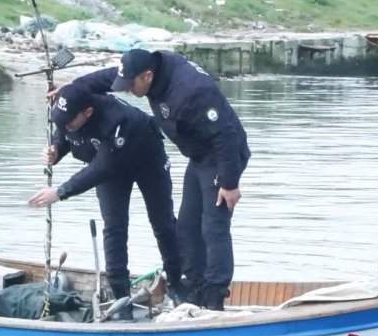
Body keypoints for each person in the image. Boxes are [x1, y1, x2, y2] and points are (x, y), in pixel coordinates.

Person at [60, 49, 250, 310]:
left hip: (221, 156)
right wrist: (71, 91)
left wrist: (229, 183)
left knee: (212, 227)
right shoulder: (147, 68)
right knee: (186, 226)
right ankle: (194, 288)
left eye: (130, 85)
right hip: (198, 157)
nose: (126, 90)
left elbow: (226, 135)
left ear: (148, 76)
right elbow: (105, 78)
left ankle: (215, 298)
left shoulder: (192, 90)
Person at [27, 82, 183, 303]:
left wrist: (60, 192)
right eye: (61, 120)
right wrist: (56, 150)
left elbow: (101, 168)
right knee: (114, 228)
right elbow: (64, 132)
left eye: (69, 121)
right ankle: (120, 295)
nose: (65, 125)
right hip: (107, 165)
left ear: (88, 112)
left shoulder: (116, 120)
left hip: (146, 160)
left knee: (163, 223)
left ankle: (176, 282)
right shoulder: (69, 116)